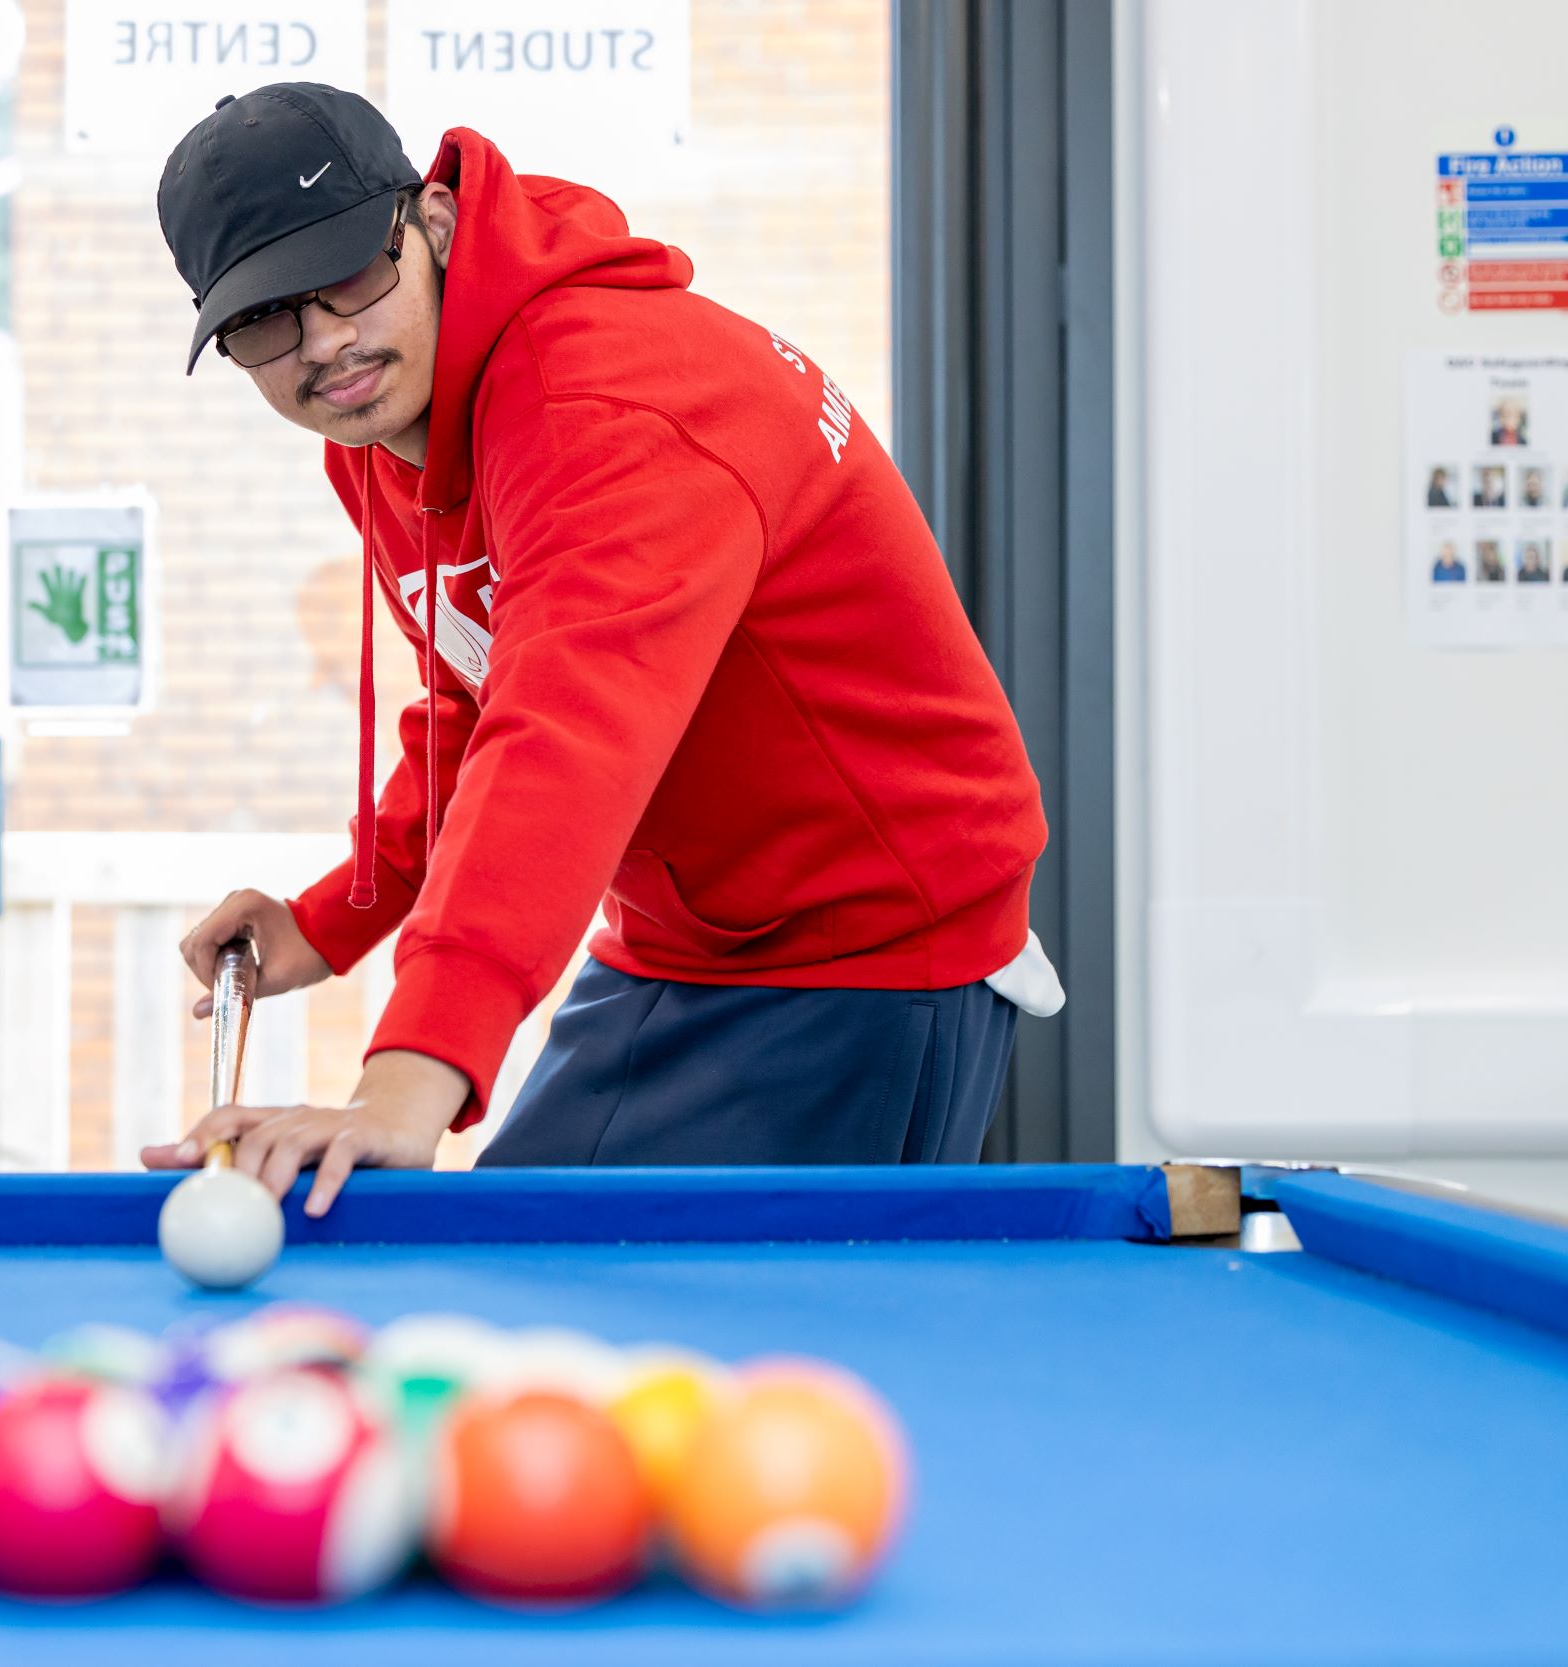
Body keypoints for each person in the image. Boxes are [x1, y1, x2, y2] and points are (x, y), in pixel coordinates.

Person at [145, 85, 1058, 1212]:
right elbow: (478, 693)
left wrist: (404, 1085)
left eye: (347, 277)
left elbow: (563, 737)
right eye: (264, 321)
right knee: (524, 1299)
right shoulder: (391, 427)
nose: (325, 344)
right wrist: (336, 916)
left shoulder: (606, 406)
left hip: (865, 947)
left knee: (670, 1354)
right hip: (683, 938)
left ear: (431, 219)